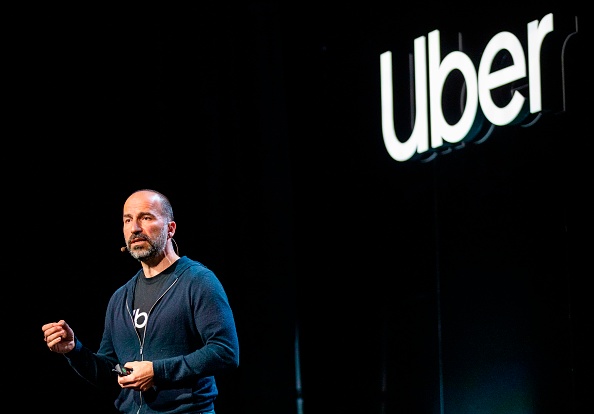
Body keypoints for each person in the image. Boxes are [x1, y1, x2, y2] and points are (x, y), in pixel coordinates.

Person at [42, 189, 240, 414]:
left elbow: (225, 352)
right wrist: (74, 350)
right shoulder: (121, 297)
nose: (135, 228)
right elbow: (113, 371)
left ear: (170, 229)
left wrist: (157, 371)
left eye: (146, 217)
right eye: (128, 220)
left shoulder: (197, 281)